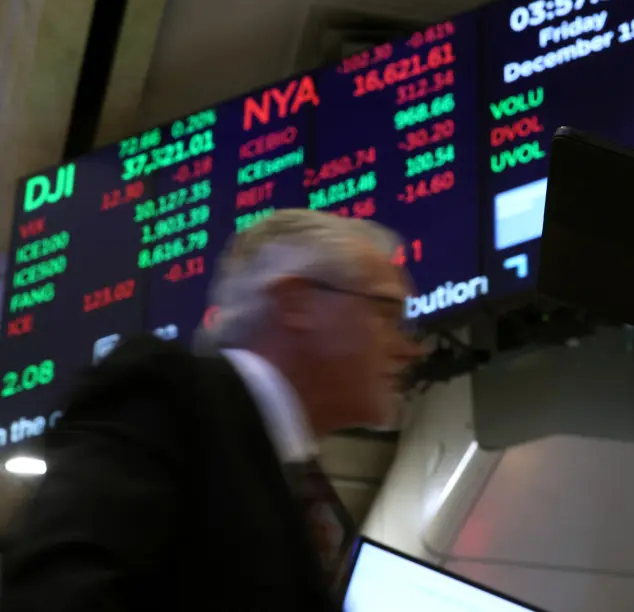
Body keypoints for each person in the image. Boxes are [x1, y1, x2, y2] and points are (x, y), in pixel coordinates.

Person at [1, 210, 426, 612]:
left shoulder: (295, 490)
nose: (410, 348)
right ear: (299, 303)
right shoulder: (162, 391)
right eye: (387, 312)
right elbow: (60, 596)